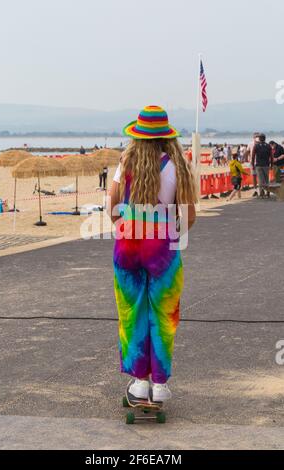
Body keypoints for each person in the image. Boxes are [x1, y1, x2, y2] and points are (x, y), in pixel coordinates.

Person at [108, 105, 197, 402]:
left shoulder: (125, 162)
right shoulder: (177, 165)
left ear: (138, 136)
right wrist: (170, 229)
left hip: (128, 247)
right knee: (164, 314)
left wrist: (126, 227)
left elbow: (112, 206)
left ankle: (138, 383)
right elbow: (189, 217)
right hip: (163, 251)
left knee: (132, 313)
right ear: (166, 136)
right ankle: (159, 386)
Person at [251, 133, 273, 198]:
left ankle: (261, 193)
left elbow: (253, 156)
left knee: (260, 180)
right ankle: (268, 193)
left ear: (259, 138)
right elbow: (271, 156)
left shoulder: (256, 146)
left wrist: (252, 165)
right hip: (266, 165)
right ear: (265, 138)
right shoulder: (268, 146)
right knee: (266, 179)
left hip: (258, 165)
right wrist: (271, 164)